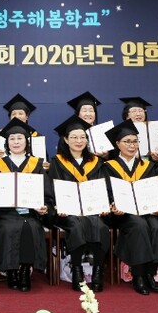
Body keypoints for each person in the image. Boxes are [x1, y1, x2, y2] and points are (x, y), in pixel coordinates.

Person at [0, 118, 52, 292]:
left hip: (30, 213)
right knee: (8, 227)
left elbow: (46, 193)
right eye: (12, 139)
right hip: (5, 213)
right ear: (7, 143)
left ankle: (24, 272)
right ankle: (11, 271)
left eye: (19, 138)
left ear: (26, 142)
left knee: (29, 226)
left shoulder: (37, 164)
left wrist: (44, 207)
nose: (16, 142)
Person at [104, 119, 158, 295]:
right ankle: (138, 275)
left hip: (147, 210)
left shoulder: (148, 166)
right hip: (122, 214)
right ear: (117, 144)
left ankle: (150, 273)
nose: (131, 145)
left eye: (134, 141)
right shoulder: (109, 167)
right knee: (139, 225)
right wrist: (114, 205)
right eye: (127, 141)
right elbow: (107, 191)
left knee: (157, 226)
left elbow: (155, 190)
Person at [48, 115, 110, 292]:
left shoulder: (96, 162)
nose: (79, 141)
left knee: (100, 226)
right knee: (75, 225)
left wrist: (103, 206)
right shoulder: (57, 162)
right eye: (74, 137)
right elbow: (52, 188)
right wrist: (58, 207)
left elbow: (103, 187)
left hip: (92, 210)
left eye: (82, 137)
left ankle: (97, 270)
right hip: (68, 212)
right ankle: (77, 270)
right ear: (66, 140)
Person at [0, 94, 48, 169]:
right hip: (6, 173)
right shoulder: (1, 135)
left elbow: (45, 161)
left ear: (27, 116)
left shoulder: (36, 136)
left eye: (20, 113)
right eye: (13, 114)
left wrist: (47, 166)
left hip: (31, 174)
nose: (17, 116)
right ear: (10, 117)